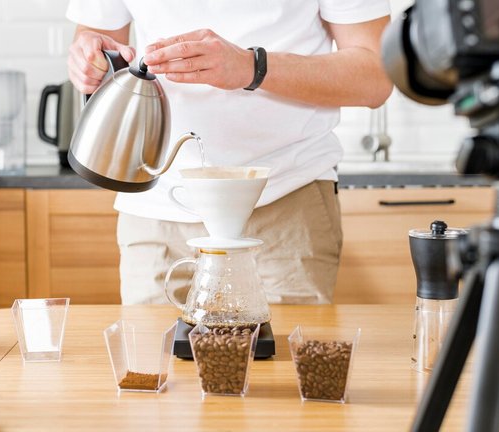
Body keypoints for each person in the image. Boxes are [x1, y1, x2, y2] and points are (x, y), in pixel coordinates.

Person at [66, 1, 393, 305]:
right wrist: (88, 57)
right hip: (157, 209)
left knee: (282, 367)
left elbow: (376, 76)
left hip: (283, 202)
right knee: (154, 366)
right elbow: (98, 38)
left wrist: (252, 67)